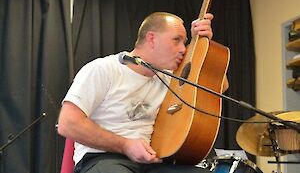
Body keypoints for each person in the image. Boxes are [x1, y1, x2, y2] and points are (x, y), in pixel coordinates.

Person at [58, 12, 217, 173]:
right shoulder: (103, 69)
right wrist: (125, 145)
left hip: (154, 163)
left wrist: (203, 43)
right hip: (104, 159)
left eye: (185, 42)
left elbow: (215, 88)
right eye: (177, 40)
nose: (183, 49)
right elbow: (67, 124)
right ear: (151, 39)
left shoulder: (169, 78)